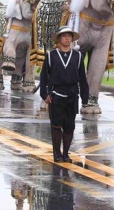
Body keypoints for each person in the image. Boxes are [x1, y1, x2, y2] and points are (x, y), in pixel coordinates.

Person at [39, 26, 89, 163]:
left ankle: (66, 153)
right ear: (59, 39)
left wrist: (85, 98)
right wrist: (45, 95)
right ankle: (57, 153)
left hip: (72, 94)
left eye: (69, 36)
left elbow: (83, 79)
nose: (67, 38)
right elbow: (44, 77)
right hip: (56, 94)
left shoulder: (78, 56)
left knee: (69, 126)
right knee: (56, 125)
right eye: (64, 36)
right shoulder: (51, 56)